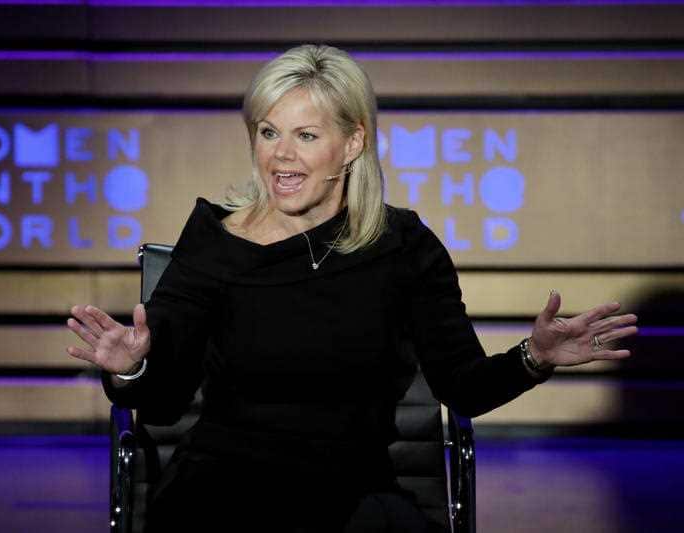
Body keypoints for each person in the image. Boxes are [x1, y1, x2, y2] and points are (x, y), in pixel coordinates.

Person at [66, 44, 638, 532]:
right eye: (268, 132)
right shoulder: (214, 241)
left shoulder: (402, 247)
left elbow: (463, 388)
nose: (280, 155)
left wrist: (534, 357)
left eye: (305, 135)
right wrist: (131, 368)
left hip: (349, 492)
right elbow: (164, 400)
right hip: (222, 489)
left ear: (353, 143)